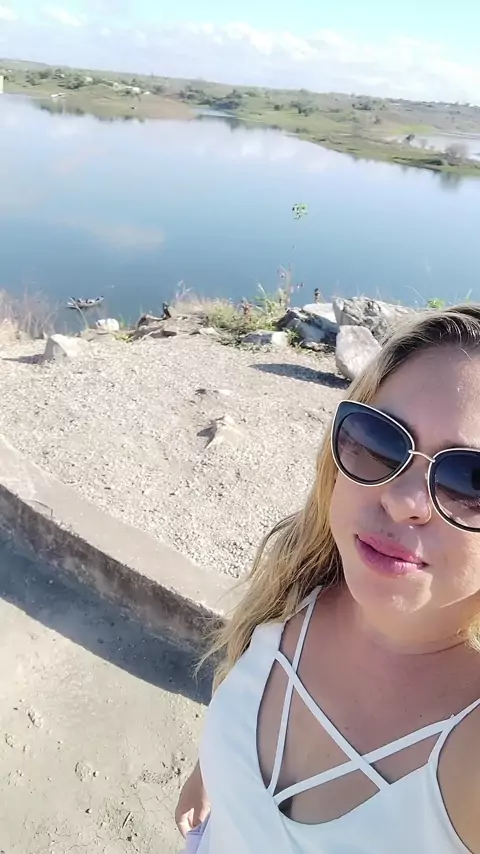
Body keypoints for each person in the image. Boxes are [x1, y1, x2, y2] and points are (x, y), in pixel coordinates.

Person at [176, 303, 480, 853]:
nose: (402, 500)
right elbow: (238, 683)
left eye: (472, 481)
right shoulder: (297, 579)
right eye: (381, 441)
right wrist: (208, 773)